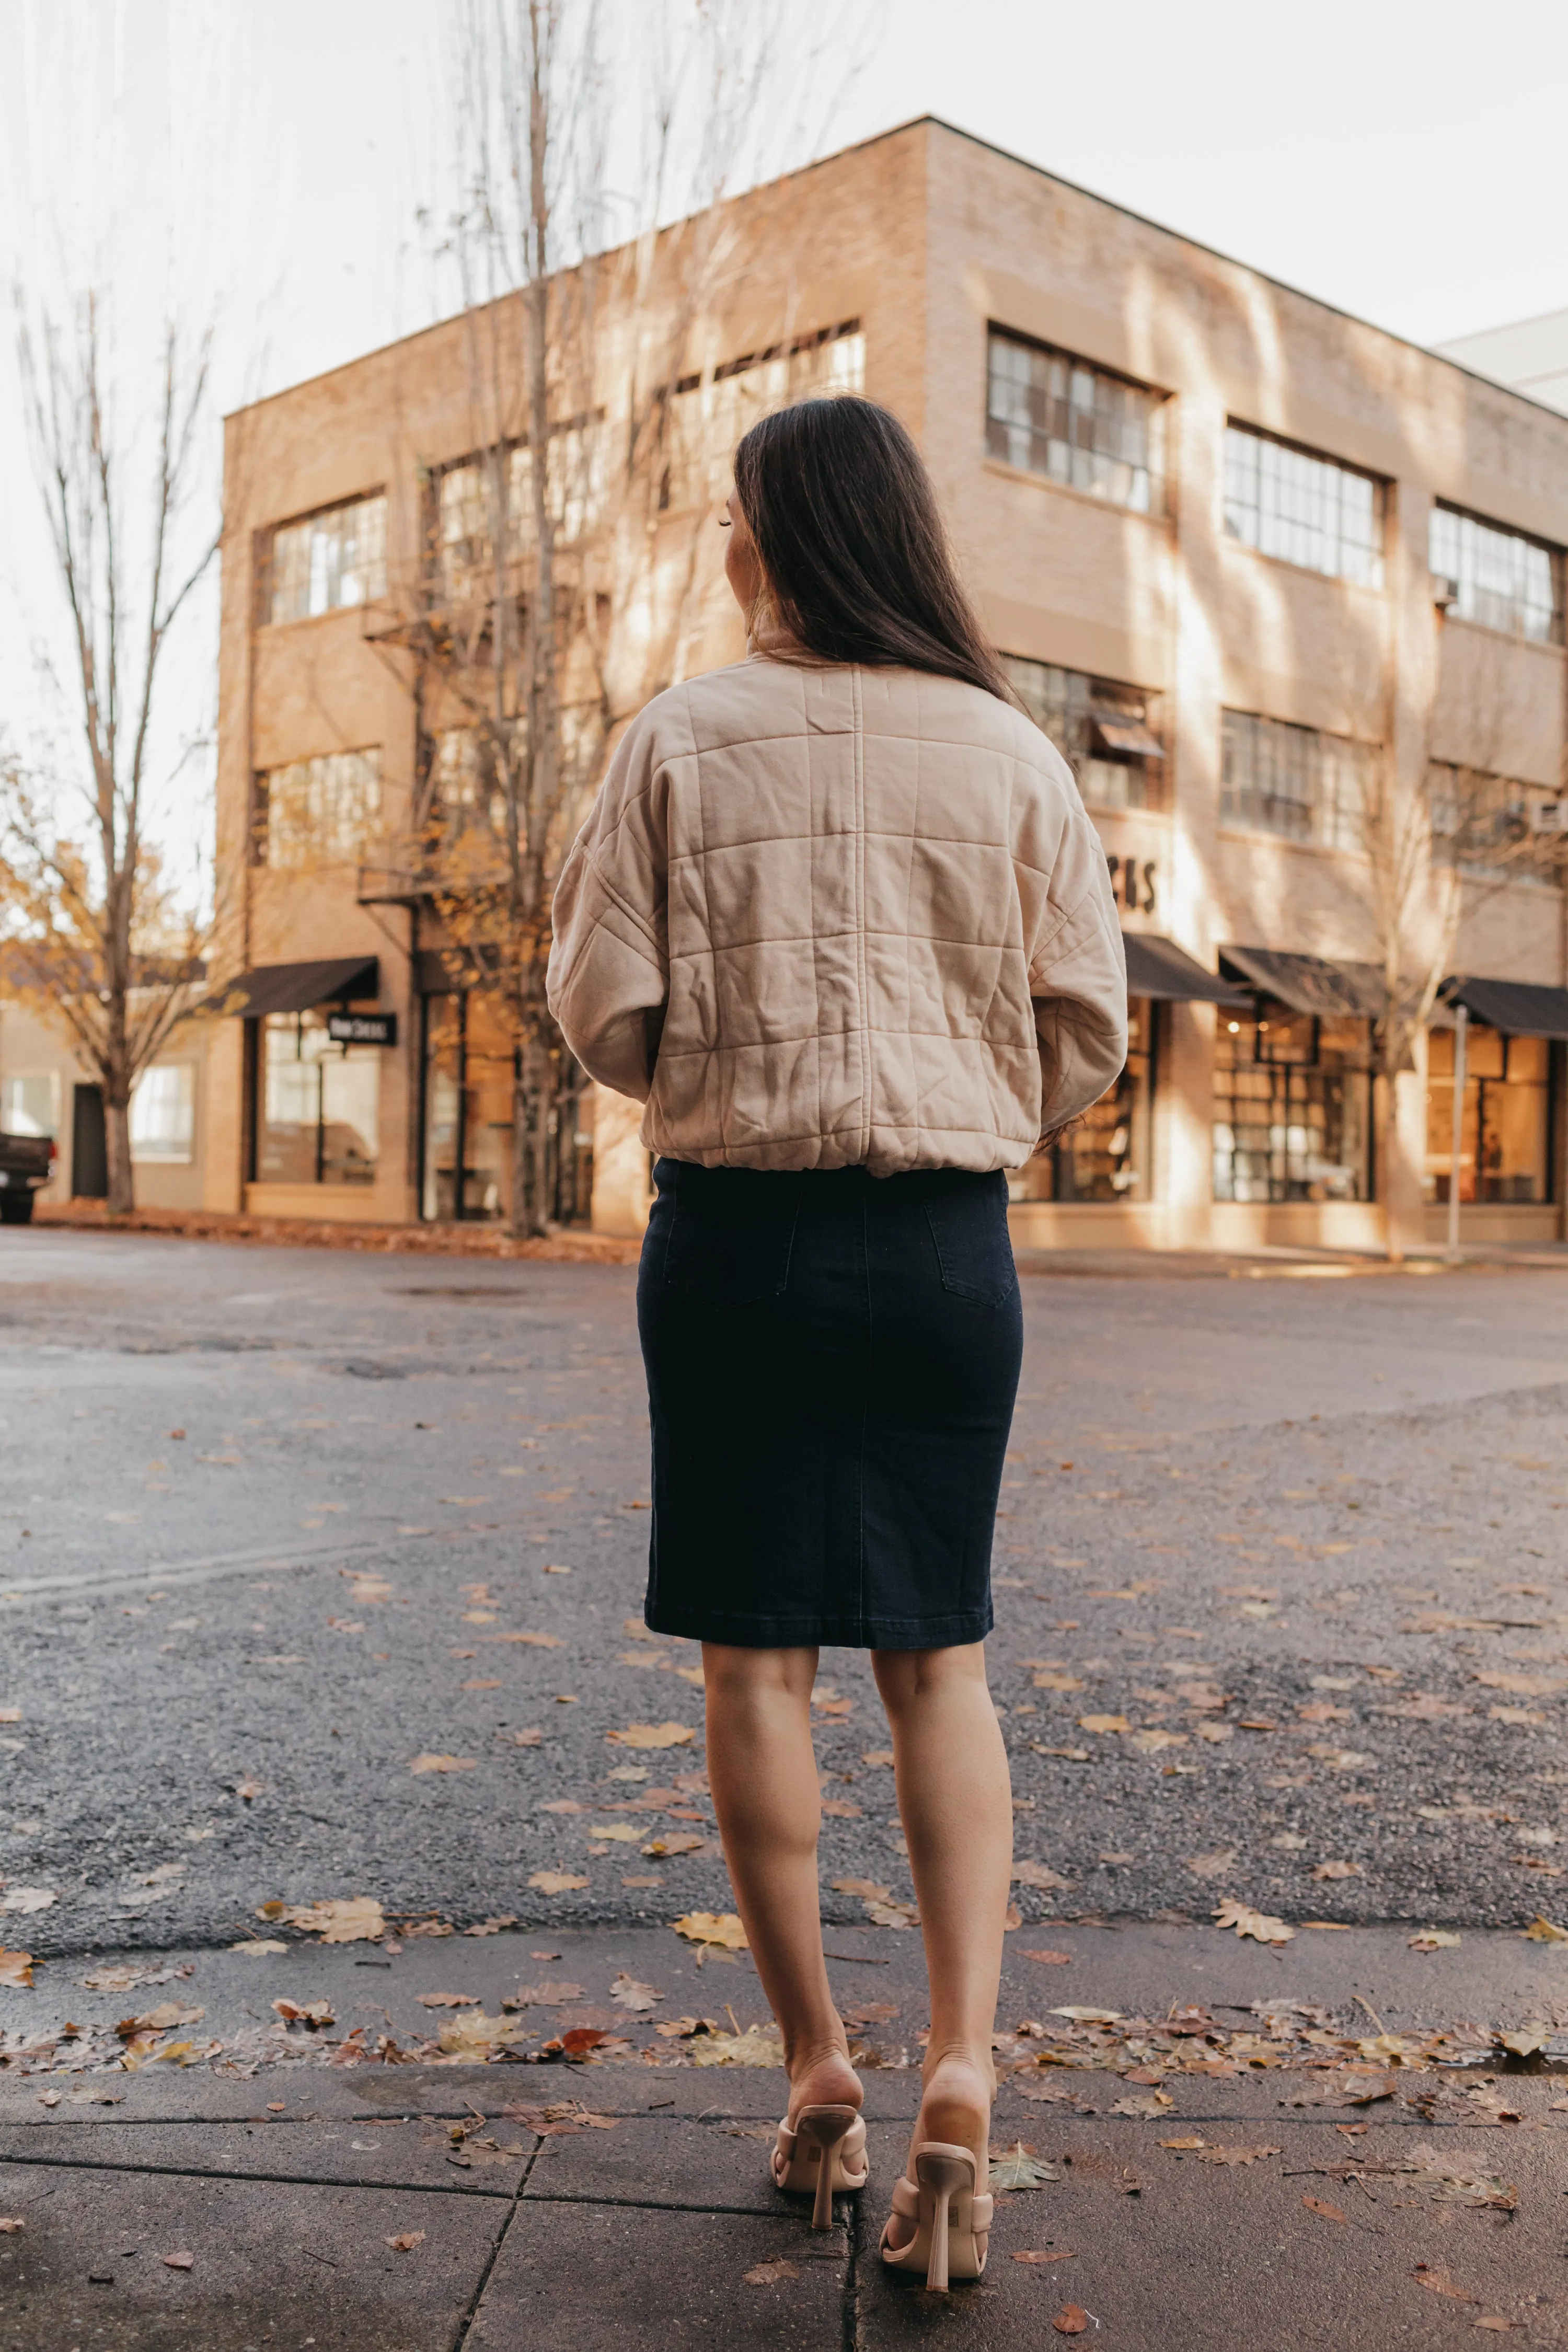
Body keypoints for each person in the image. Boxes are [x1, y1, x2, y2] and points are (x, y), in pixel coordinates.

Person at [547, 394, 1127, 2289]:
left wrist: (719, 1066)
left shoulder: (678, 738)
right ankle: (961, 2064)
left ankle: (816, 2070)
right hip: (949, 1249)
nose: (725, 545)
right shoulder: (1013, 753)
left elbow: (605, 1014)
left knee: (757, 1670)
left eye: (733, 518)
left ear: (773, 539)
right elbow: (1084, 1036)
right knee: (937, 1664)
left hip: (738, 1240)